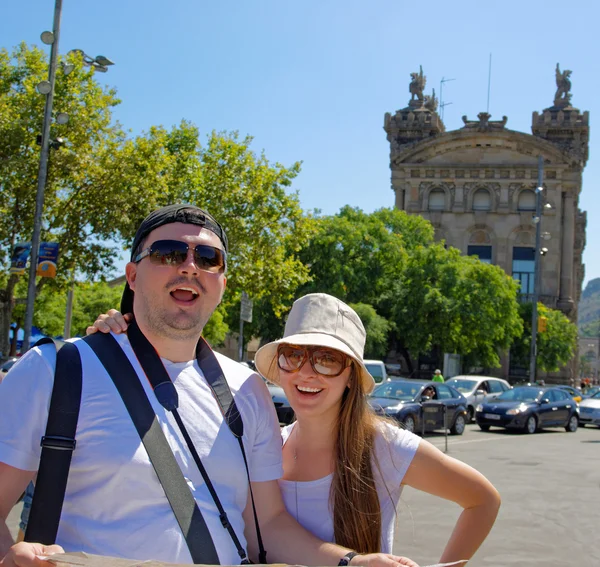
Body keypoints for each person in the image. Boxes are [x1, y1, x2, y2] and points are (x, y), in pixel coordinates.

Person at [0, 205, 418, 567]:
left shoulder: (248, 390)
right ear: (131, 276)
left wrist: (351, 560)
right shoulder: (54, 370)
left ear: (221, 283)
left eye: (208, 258)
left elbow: (267, 525)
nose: (189, 266)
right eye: (167, 253)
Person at [91, 292, 501, 565]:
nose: (306, 373)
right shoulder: (266, 442)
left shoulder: (385, 446)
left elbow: (483, 500)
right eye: (294, 356)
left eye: (326, 359)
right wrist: (127, 334)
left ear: (351, 376)